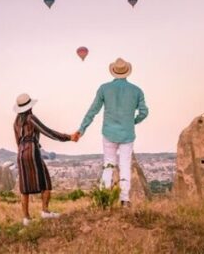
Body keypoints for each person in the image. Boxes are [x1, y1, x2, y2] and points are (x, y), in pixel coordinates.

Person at [73, 58, 149, 207]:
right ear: (127, 72)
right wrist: (133, 121)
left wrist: (81, 129)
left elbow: (92, 111)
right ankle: (125, 199)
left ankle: (104, 198)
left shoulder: (104, 89)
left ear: (113, 71)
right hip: (127, 134)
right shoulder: (137, 90)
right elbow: (144, 112)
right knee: (125, 165)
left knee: (108, 164)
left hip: (108, 132)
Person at [13, 93, 76, 226]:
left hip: (20, 153)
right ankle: (45, 211)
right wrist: (68, 137)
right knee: (46, 182)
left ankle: (26, 218)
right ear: (29, 107)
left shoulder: (16, 122)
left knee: (24, 187)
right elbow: (48, 132)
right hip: (32, 150)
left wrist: (21, 151)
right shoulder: (31, 118)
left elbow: (17, 140)